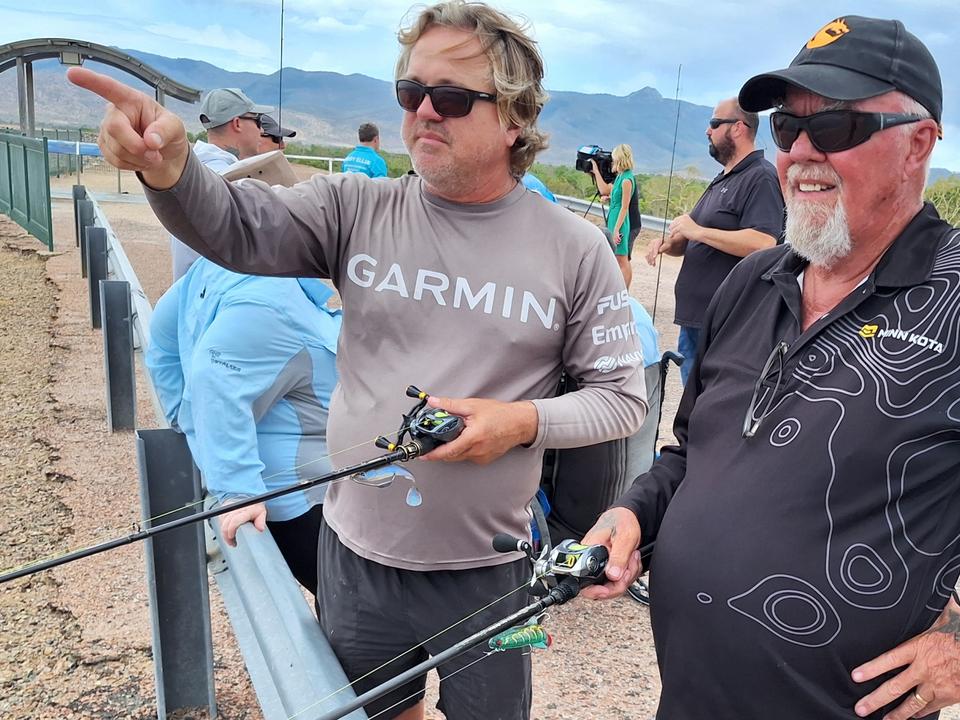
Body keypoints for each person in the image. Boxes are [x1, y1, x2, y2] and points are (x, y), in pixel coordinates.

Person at [581, 15, 960, 720]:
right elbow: (696, 450)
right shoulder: (755, 280)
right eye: (788, 128)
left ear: (918, 143)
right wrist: (634, 512)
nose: (804, 151)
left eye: (839, 127)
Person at [68, 2, 647, 719]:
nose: (424, 112)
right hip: (353, 558)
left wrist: (519, 421)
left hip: (493, 574)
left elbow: (622, 398)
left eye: (453, 98)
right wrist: (171, 168)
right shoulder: (354, 206)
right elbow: (235, 228)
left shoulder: (574, 248)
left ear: (514, 118)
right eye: (411, 92)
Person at [146, 257, 341, 594]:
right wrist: (239, 491)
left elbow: (163, 337)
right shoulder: (265, 302)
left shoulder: (214, 269)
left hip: (307, 485)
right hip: (306, 499)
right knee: (356, 611)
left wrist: (186, 416)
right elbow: (213, 379)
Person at [645, 97, 785, 385]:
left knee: (709, 407)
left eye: (714, 124)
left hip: (726, 322)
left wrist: (698, 231)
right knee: (693, 407)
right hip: (696, 321)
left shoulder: (761, 177)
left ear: (738, 128)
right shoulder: (723, 178)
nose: (708, 131)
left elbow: (763, 242)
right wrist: (667, 243)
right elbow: (690, 239)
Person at [171, 87, 273, 280]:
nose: (261, 130)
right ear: (237, 123)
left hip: (194, 293)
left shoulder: (194, 172)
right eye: (257, 120)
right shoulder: (228, 179)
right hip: (215, 298)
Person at [590, 143, 636, 288]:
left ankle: (624, 289)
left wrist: (617, 229)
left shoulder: (627, 179)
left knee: (622, 258)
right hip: (613, 217)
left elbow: (625, 206)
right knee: (615, 257)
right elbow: (616, 196)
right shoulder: (620, 176)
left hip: (619, 221)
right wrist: (608, 199)